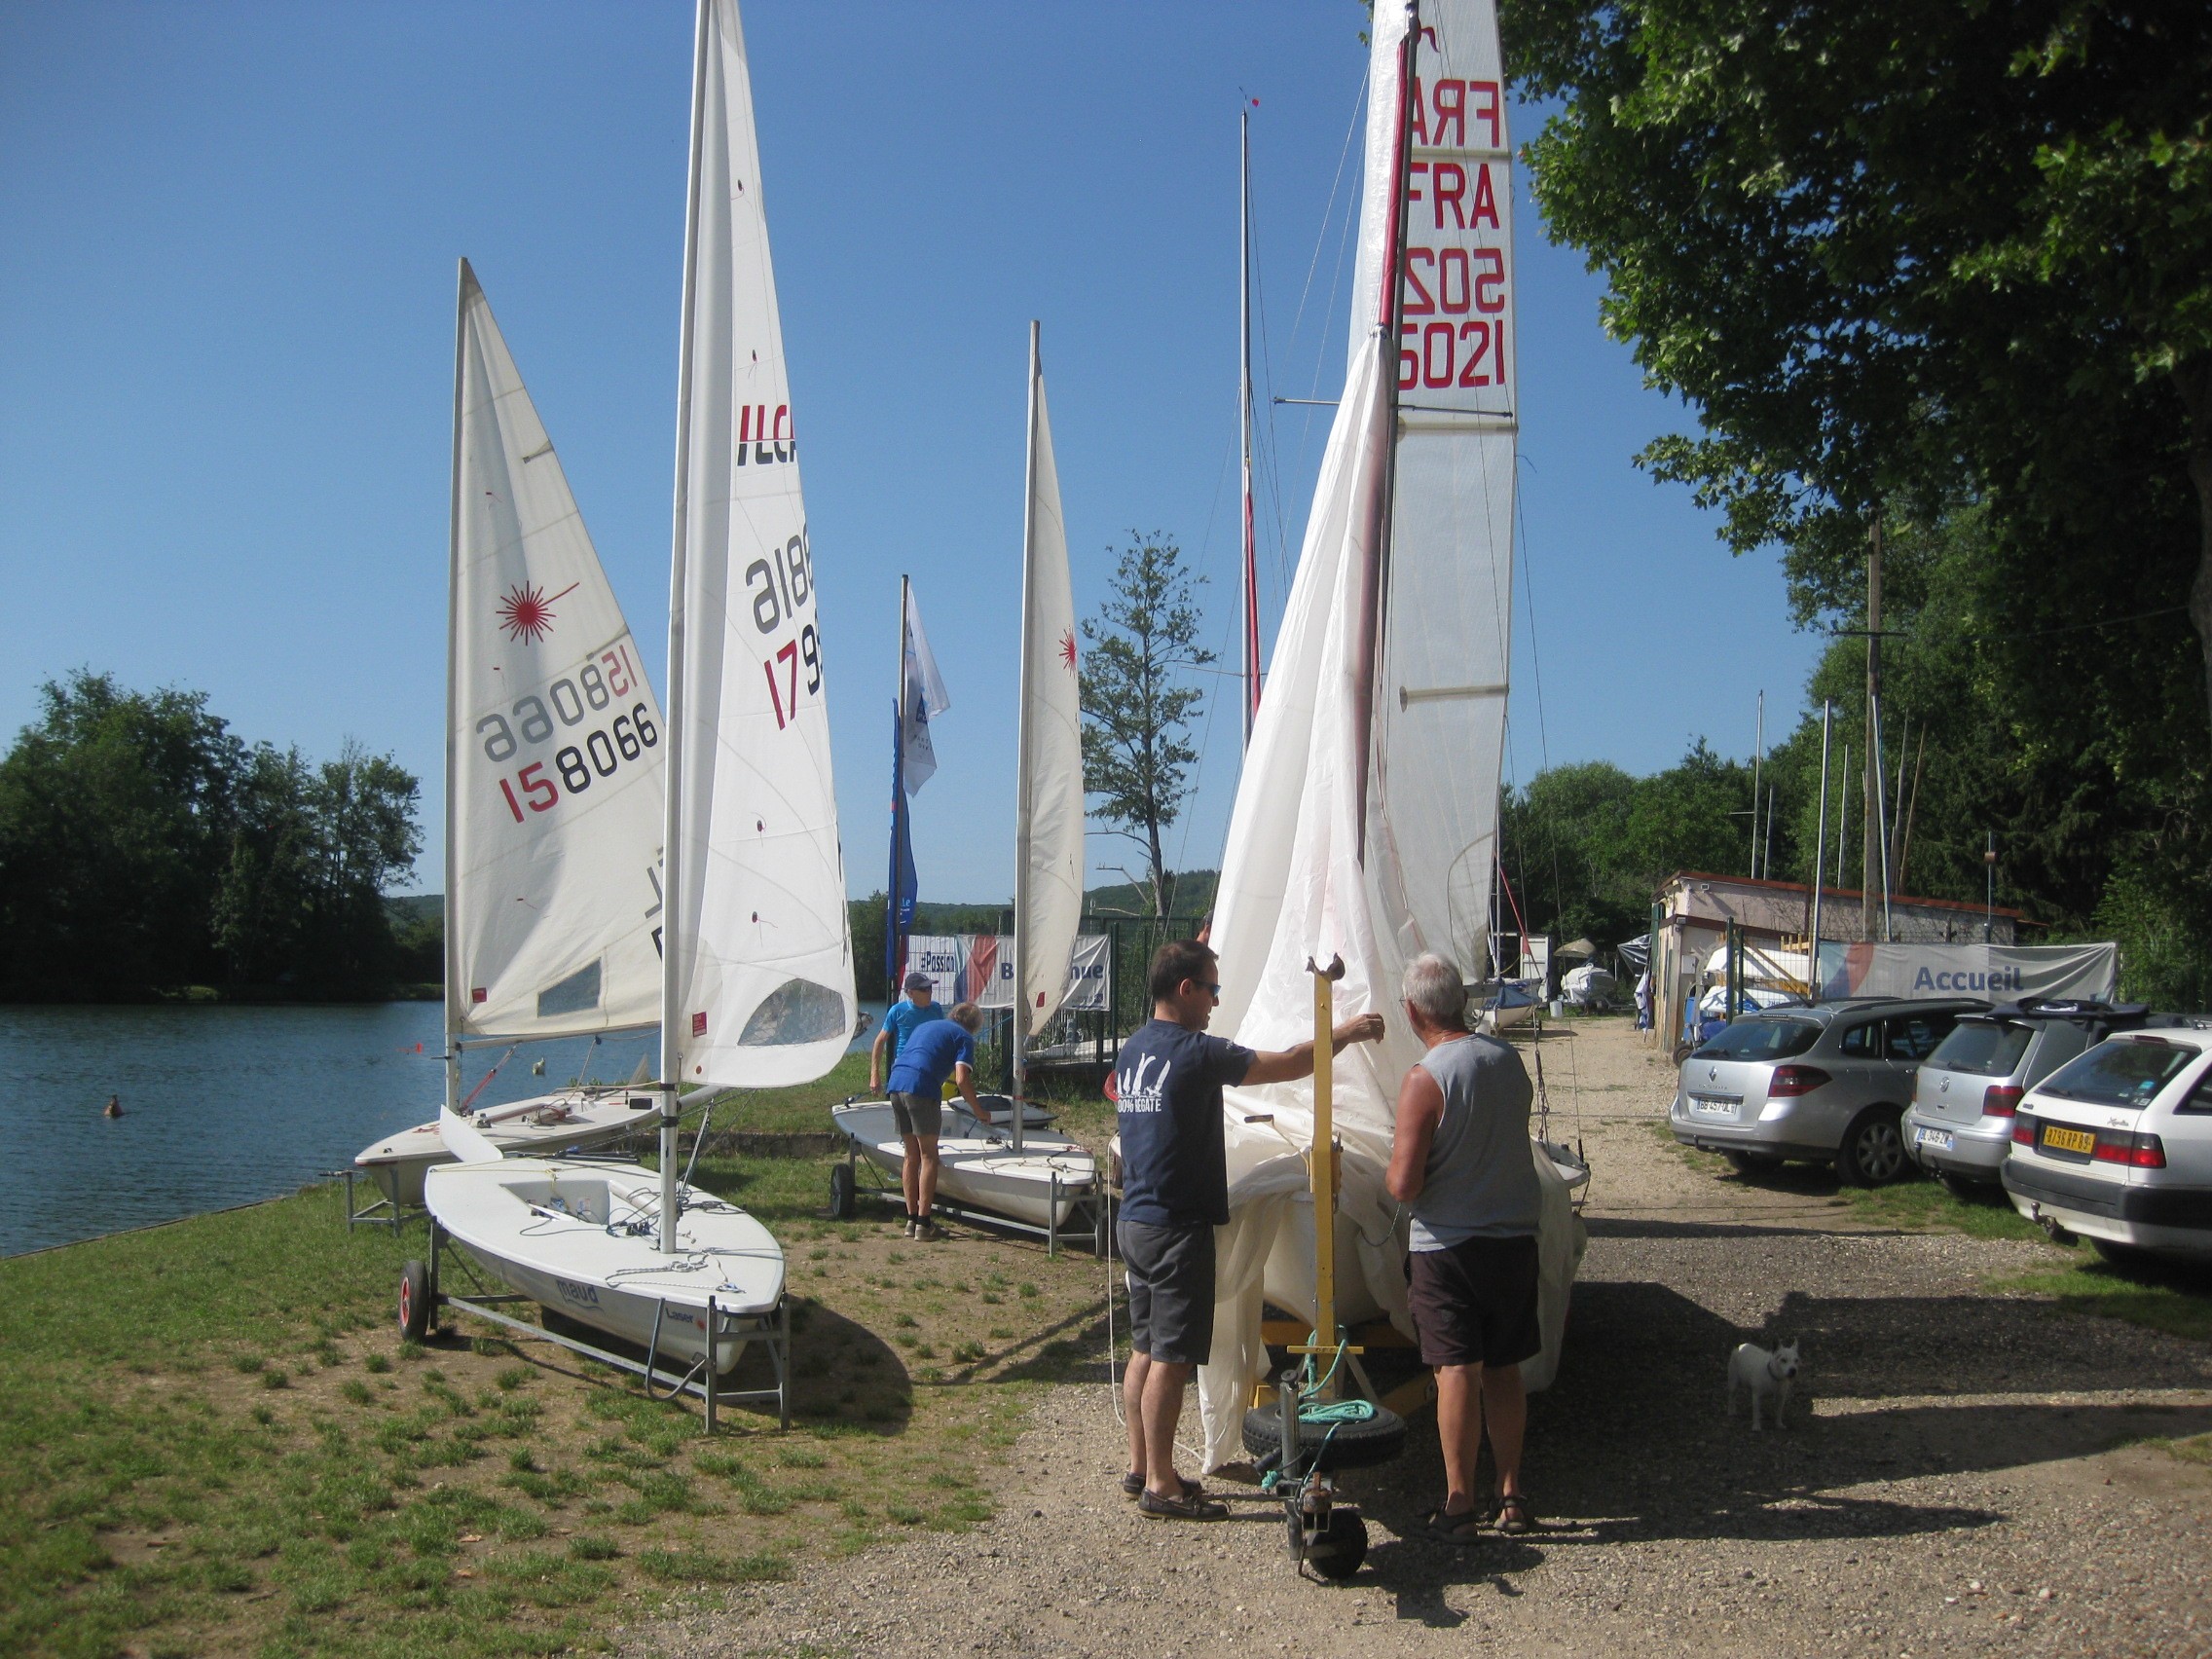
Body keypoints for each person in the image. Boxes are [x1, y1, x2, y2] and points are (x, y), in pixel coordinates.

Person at [1115, 938, 1385, 1521]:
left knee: (1143, 1348)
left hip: (1135, 1219)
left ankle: (1141, 1467)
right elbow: (1287, 1063)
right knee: (1172, 1357)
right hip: (1175, 1227)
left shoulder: (1134, 1050)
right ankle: (1163, 1486)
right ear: (1184, 989)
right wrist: (1346, 1032)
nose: (1215, 1001)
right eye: (1211, 989)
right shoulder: (1195, 1052)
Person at [1385, 950, 1544, 1545]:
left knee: (1456, 1370)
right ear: (1461, 1002)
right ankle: (1511, 1493)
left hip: (1448, 1246)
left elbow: (1405, 1183)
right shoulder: (1509, 1061)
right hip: (1512, 1238)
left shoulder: (1426, 1078)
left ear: (1411, 1010)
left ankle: (1459, 1500)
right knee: (1504, 1369)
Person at [882, 1000, 985, 1239]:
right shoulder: (964, 1038)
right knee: (929, 1156)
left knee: (911, 1155)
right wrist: (979, 1111)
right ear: (974, 1026)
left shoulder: (927, 1026)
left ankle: (911, 1220)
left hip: (896, 1084)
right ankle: (924, 1224)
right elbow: (961, 1080)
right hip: (921, 1088)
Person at [870, 971, 945, 1092]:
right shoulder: (898, 1010)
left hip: (930, 1067)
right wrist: (874, 1075)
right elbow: (880, 1040)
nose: (929, 992)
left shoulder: (936, 1009)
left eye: (930, 988)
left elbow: (943, 1038)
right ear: (910, 993)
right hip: (904, 1067)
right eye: (924, 989)